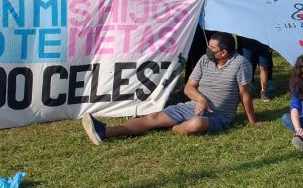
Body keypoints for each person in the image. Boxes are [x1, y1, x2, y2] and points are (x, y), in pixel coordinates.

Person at [81, 32, 258, 144]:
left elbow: (244, 94)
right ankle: (105, 131)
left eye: (212, 48)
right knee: (153, 117)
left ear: (224, 52)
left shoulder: (241, 64)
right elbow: (189, 88)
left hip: (219, 115)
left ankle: (174, 127)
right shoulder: (205, 60)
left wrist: (252, 122)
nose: (208, 50)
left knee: (196, 124)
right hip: (193, 106)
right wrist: (201, 99)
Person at [239, 0, 276, 101]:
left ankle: (264, 91)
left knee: (264, 66)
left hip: (263, 41)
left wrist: (272, 42)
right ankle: (248, 88)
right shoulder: (243, 2)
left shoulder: (268, 2)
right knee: (247, 66)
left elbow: (271, 23)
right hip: (247, 42)